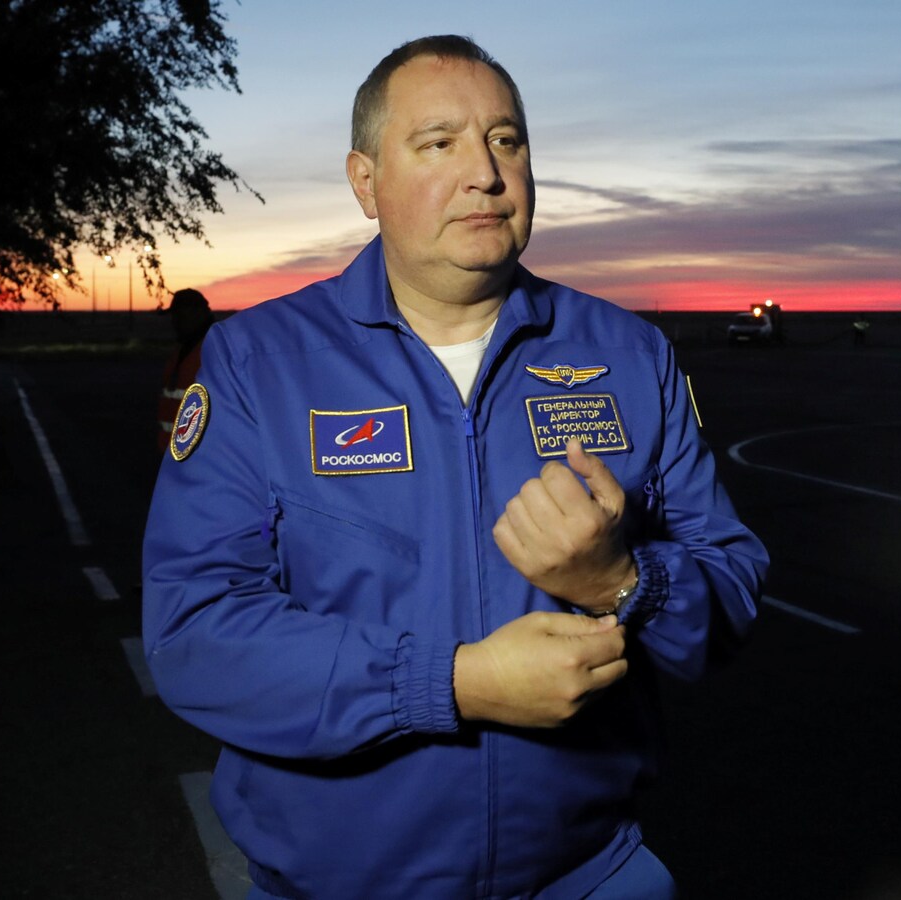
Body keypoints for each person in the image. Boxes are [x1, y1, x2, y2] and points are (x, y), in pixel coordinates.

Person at [142, 35, 767, 900]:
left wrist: (625, 580)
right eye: (438, 143)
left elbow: (731, 594)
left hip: (588, 878)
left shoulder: (629, 354)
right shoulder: (257, 363)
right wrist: (451, 683)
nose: (485, 172)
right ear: (366, 182)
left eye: (505, 139)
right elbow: (194, 634)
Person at [156, 288, 215, 453]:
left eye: (179, 315)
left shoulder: (213, 350)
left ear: (195, 314)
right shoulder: (185, 348)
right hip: (175, 455)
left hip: (196, 457)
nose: (174, 321)